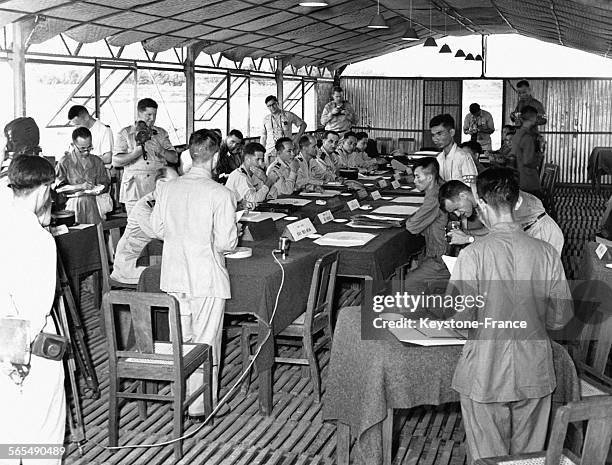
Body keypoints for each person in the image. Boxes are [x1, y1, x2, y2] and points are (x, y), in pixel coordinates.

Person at [446, 167, 572, 462]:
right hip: (535, 369)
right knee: (529, 459)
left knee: (487, 457)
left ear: (481, 204)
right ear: (518, 203)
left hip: (484, 372)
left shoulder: (473, 254)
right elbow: (560, 318)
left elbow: (460, 319)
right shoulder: (547, 253)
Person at [151, 129, 238, 417]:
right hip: (207, 278)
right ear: (215, 158)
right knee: (206, 341)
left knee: (184, 340)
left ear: (190, 153)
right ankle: (201, 406)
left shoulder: (167, 188)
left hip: (174, 276)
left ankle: (185, 397)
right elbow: (226, 243)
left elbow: (158, 230)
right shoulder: (222, 194)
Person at [0, 156, 65, 465]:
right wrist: (18, 364)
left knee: (9, 441)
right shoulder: (38, 240)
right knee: (42, 440)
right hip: (27, 353)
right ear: (43, 190)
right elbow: (35, 313)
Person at [439, 178, 564, 256]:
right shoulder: (478, 198)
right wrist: (467, 233)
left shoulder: (490, 194)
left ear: (463, 195)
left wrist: (468, 239)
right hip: (525, 233)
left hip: (541, 232)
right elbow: (492, 229)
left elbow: (501, 239)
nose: (457, 214)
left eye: (456, 208)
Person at [110, 167, 179, 285]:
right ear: (160, 184)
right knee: (178, 275)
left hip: (153, 258)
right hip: (131, 264)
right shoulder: (145, 206)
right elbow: (160, 233)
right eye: (175, 184)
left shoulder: (167, 203)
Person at [113, 98, 178, 214]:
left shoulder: (161, 133)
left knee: (158, 224)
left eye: (154, 115)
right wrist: (135, 153)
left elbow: (174, 158)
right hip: (135, 188)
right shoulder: (125, 133)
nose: (152, 119)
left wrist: (161, 150)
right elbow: (116, 161)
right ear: (139, 113)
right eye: (148, 115)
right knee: (135, 225)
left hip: (157, 185)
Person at [402, 157, 449, 294]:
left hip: (441, 259)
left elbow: (412, 226)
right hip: (436, 252)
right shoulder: (440, 187)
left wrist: (412, 218)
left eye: (417, 177)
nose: (415, 181)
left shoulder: (434, 197)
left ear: (429, 178)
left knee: (408, 283)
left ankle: (423, 313)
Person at [56, 127, 111, 224]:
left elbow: (105, 184)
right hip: (73, 205)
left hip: (95, 203)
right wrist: (79, 187)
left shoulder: (97, 161)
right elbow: (58, 188)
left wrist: (99, 188)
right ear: (73, 145)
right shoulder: (65, 162)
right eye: (82, 149)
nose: (86, 152)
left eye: (89, 147)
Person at [226, 142, 279, 207]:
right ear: (247, 159)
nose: (260, 163)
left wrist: (265, 179)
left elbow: (273, 196)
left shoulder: (256, 174)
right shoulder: (239, 175)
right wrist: (269, 182)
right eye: (257, 159)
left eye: (262, 160)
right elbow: (253, 200)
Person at [430, 114, 478, 184]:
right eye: (433, 135)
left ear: (452, 132)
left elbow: (472, 186)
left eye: (439, 134)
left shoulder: (464, 157)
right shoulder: (438, 158)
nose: (435, 139)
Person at [260, 96, 306, 162]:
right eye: (269, 106)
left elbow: (303, 125)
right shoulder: (266, 119)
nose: (272, 107)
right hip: (271, 151)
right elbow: (263, 136)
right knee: (272, 170)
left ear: (277, 103)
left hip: (286, 150)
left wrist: (296, 139)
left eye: (273, 104)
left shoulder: (288, 115)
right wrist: (262, 151)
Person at [510, 105, 543, 198]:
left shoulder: (518, 134)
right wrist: (539, 155)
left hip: (517, 178)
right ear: (533, 118)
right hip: (528, 180)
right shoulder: (528, 137)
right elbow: (528, 161)